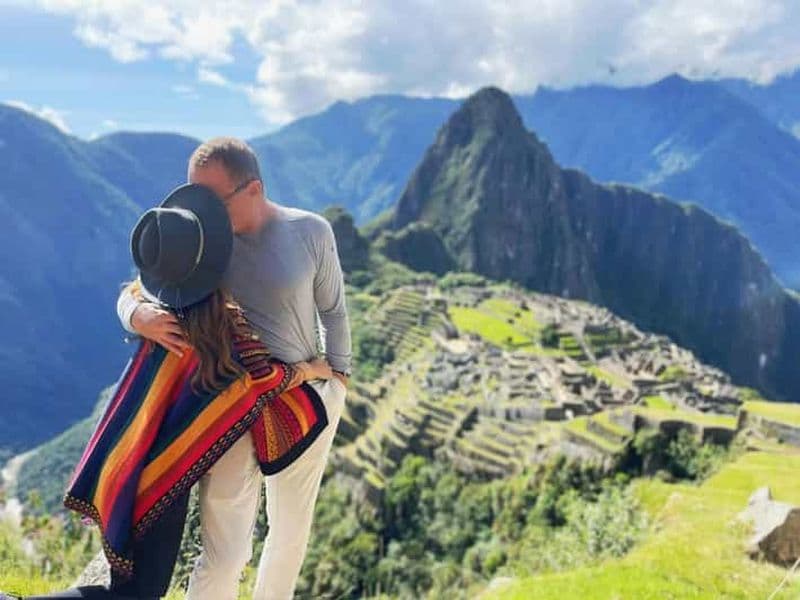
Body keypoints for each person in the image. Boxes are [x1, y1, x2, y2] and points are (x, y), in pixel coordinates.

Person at [25, 183, 335, 600]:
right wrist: (313, 368)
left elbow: (131, 292)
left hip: (130, 455)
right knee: (136, 595)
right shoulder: (219, 336)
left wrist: (134, 311)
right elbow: (263, 382)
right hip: (158, 476)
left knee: (129, 589)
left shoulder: (158, 310)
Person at [115, 137, 352, 600]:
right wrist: (135, 315)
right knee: (224, 552)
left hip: (304, 398)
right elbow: (141, 284)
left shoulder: (311, 231)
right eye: (195, 198)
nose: (200, 212)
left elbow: (334, 311)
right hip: (229, 405)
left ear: (254, 189)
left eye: (212, 200)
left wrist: (338, 380)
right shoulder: (202, 241)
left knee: (289, 532)